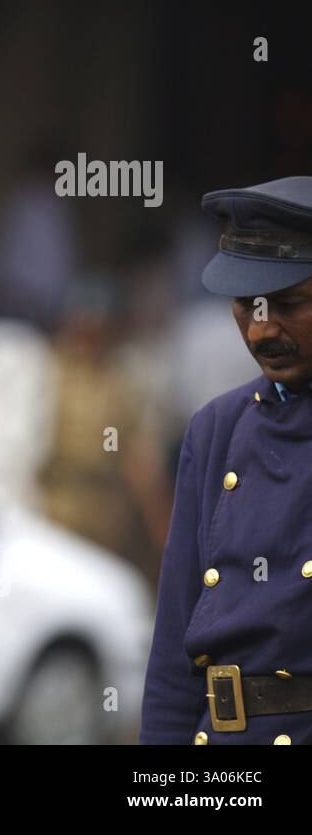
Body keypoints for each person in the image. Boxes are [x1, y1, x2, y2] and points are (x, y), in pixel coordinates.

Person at [141, 176, 312, 745]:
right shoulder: (215, 429)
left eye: (288, 304)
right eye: (246, 306)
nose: (262, 329)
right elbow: (173, 650)